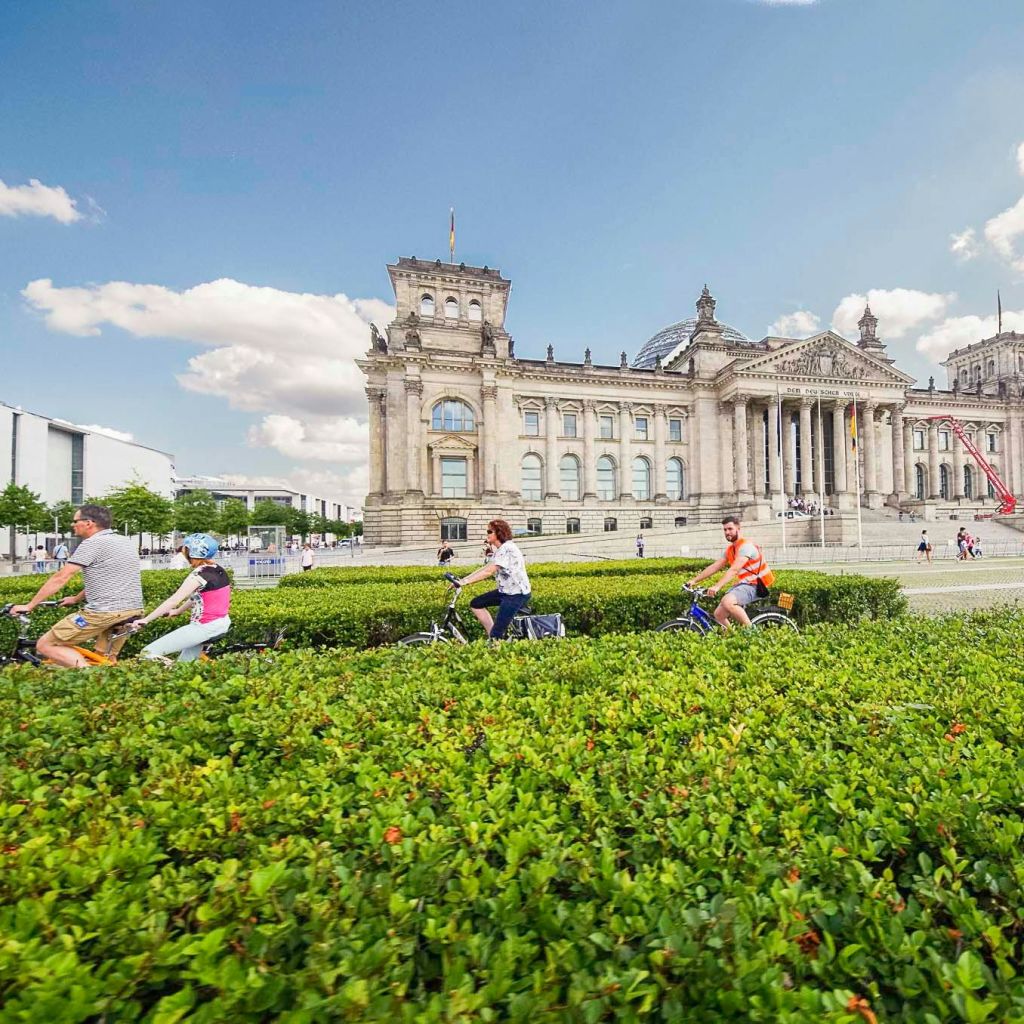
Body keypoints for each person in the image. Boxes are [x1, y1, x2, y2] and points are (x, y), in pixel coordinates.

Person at [7, 504, 144, 668]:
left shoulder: (92, 543)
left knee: (46, 645)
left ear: (88, 523)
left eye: (75, 521)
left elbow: (61, 577)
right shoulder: (124, 541)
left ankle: (87, 675)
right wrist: (76, 598)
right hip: (133, 610)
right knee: (105, 659)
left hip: (103, 612)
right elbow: (110, 579)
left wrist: (29, 605)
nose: (72, 525)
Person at [129, 533, 231, 662]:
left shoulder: (199, 574)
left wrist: (146, 620)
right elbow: (198, 597)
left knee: (147, 653)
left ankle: (169, 675)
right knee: (185, 664)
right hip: (220, 623)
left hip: (204, 627)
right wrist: (178, 611)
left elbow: (174, 599)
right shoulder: (218, 569)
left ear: (192, 552)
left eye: (186, 549)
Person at [685, 515, 775, 630]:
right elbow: (715, 567)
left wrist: (717, 586)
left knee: (727, 601)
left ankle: (753, 633)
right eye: (725, 530)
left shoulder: (746, 546)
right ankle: (732, 637)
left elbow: (734, 570)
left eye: (730, 529)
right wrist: (694, 581)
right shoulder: (731, 549)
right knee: (719, 615)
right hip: (745, 584)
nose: (727, 532)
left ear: (738, 527)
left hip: (757, 585)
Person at [455, 519, 531, 640]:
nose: (487, 534)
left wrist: (465, 582)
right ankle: (492, 636)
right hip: (505, 591)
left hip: (515, 594)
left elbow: (489, 571)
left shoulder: (507, 548)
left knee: (498, 634)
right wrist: (462, 580)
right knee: (476, 604)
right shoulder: (500, 550)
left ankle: (495, 641)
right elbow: (485, 568)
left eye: (489, 531)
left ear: (499, 533)